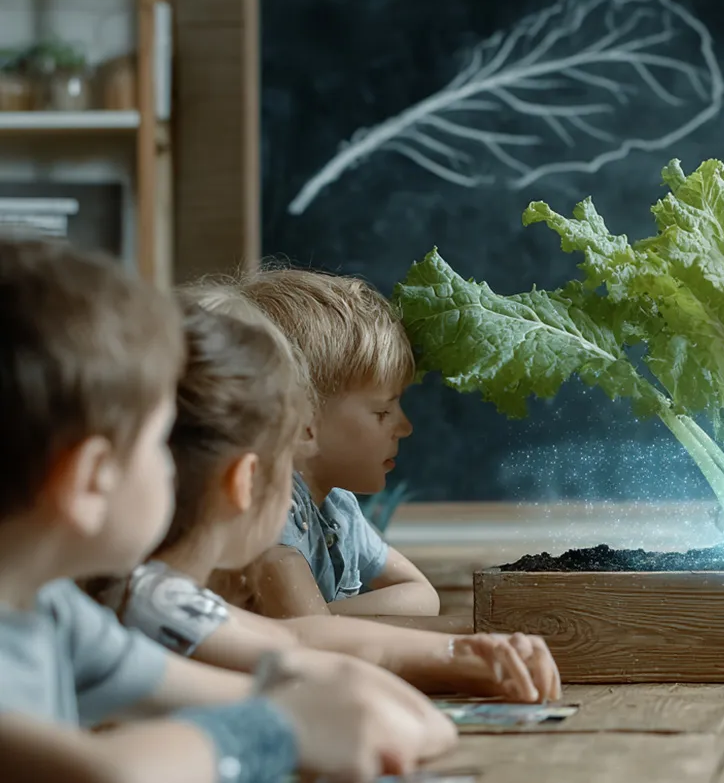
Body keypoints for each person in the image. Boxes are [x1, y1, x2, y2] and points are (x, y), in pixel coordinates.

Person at [0, 238, 456, 783]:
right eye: (156, 443)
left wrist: (357, 701)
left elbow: (271, 672)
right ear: (89, 479)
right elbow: (109, 772)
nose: (176, 464)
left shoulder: (49, 611)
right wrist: (289, 725)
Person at [90, 289, 561, 702]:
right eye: (288, 459)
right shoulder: (154, 598)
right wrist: (456, 654)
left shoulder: (158, 594)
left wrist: (462, 650)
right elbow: (299, 658)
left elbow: (299, 637)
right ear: (246, 482)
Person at [231, 266, 446, 622]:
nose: (405, 427)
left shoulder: (339, 507)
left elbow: (423, 596)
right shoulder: (272, 510)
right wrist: (324, 626)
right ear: (303, 424)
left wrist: (328, 620)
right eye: (382, 411)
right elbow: (309, 634)